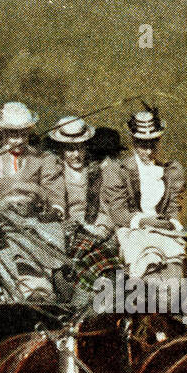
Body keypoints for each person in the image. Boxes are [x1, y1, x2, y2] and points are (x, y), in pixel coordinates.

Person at [0, 102, 69, 302]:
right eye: (12, 134)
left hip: (35, 216)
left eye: (22, 134)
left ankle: (43, 290)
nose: (18, 140)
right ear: (2, 133)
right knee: (8, 245)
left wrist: (53, 208)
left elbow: (54, 192)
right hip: (3, 219)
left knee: (43, 239)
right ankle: (16, 293)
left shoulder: (42, 159)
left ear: (29, 133)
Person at [99, 106, 187, 289]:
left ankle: (176, 309)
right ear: (134, 142)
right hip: (131, 230)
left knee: (175, 265)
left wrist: (172, 222)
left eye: (153, 143)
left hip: (164, 230)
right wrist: (145, 221)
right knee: (144, 267)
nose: (148, 151)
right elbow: (118, 212)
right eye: (142, 144)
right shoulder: (118, 170)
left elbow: (174, 206)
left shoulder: (171, 171)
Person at [49, 116, 120, 301]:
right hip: (64, 232)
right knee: (66, 268)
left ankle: (86, 310)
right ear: (61, 149)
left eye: (80, 147)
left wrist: (101, 228)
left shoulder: (98, 171)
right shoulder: (53, 171)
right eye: (70, 149)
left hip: (96, 230)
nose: (76, 154)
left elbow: (108, 209)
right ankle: (74, 306)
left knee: (103, 265)